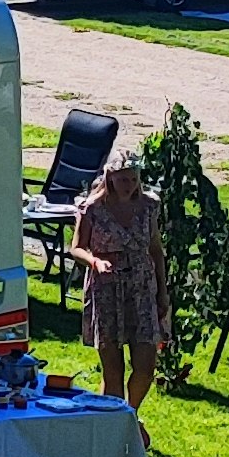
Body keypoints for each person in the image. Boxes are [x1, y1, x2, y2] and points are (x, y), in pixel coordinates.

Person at [69, 156, 171, 424]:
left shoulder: (149, 206)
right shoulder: (93, 208)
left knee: (146, 364)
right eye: (123, 179)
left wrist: (163, 291)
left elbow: (156, 250)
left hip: (141, 288)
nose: (129, 185)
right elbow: (76, 247)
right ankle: (112, 424)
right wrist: (94, 261)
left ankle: (130, 415)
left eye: (133, 179)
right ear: (110, 177)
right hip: (107, 290)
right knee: (113, 369)